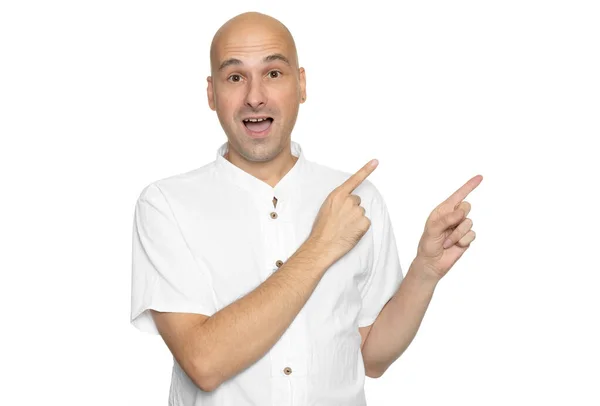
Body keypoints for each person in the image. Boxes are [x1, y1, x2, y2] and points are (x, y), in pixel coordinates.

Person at [130, 11, 482, 405]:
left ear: (301, 85)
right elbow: (204, 362)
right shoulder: (166, 206)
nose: (255, 96)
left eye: (274, 74)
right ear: (211, 94)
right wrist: (322, 245)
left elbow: (372, 357)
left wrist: (425, 272)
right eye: (235, 77)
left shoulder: (357, 199)